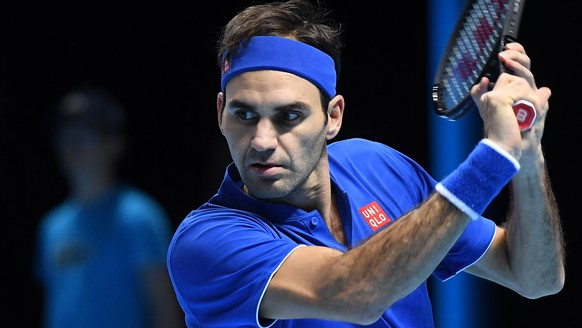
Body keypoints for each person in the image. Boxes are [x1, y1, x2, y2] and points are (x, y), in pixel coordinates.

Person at [166, 0, 566, 327]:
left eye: (289, 116)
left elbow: (535, 278)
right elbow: (356, 294)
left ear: (333, 117)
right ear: (221, 113)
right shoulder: (204, 243)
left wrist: (526, 156)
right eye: (245, 114)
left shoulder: (379, 167)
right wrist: (492, 158)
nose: (263, 141)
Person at [35, 86, 184, 328]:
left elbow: (166, 313)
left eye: (84, 135)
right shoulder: (51, 226)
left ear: (115, 144)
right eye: (65, 136)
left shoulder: (139, 216)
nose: (72, 147)